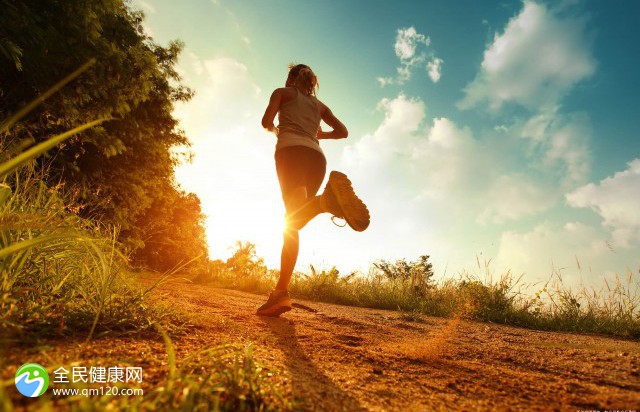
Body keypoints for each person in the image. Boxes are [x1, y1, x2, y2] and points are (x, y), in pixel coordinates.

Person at [257, 63, 370, 317]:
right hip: (316, 159)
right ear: (311, 81)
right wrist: (320, 135)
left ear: (290, 78)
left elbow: (266, 121)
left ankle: (324, 202)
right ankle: (280, 293)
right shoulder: (320, 106)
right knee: (294, 221)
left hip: (291, 153)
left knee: (292, 221)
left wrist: (277, 131)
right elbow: (343, 132)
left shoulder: (282, 93)